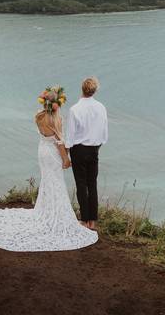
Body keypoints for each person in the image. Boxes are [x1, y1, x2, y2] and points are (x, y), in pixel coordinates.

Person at [0, 93, 98, 251]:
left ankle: (46, 209)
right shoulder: (56, 119)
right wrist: (66, 158)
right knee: (56, 182)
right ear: (57, 104)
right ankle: (55, 214)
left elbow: (46, 136)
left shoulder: (39, 116)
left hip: (42, 151)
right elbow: (59, 142)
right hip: (53, 153)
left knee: (47, 181)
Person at [65, 76, 108, 230]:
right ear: (94, 90)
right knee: (92, 184)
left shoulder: (74, 109)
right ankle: (93, 221)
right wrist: (96, 147)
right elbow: (104, 133)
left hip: (78, 150)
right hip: (94, 149)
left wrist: (67, 155)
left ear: (82, 89)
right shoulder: (101, 107)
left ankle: (84, 220)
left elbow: (69, 136)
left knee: (81, 184)